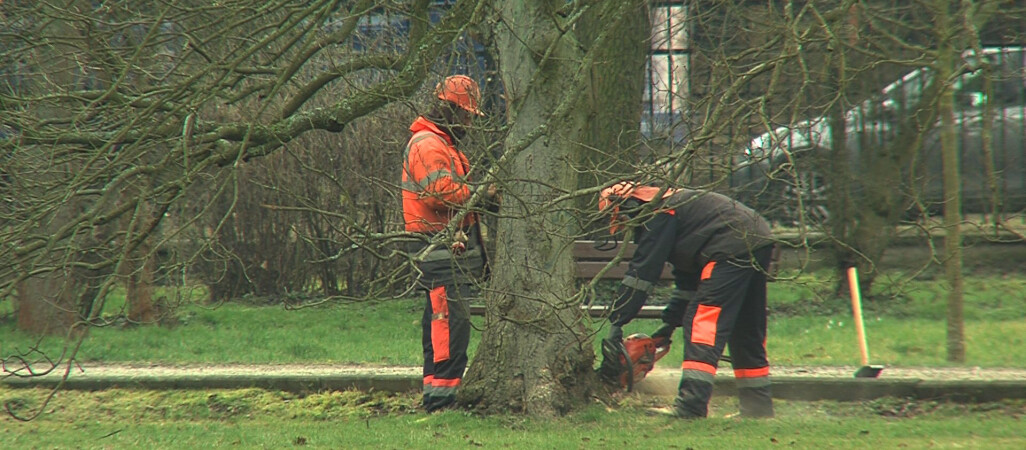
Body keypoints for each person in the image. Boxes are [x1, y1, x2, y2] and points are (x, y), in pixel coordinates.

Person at [596, 181, 776, 419]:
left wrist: (617, 322)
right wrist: (669, 325)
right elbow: (688, 281)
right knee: (745, 327)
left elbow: (643, 272)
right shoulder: (678, 210)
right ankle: (757, 407)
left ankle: (691, 406)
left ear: (631, 204)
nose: (625, 225)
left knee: (702, 325)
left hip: (730, 247)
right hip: (756, 238)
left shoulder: (658, 213)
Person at [402, 74, 492, 412]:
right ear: (449, 111)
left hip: (443, 247)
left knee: (444, 324)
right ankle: (442, 401)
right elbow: (439, 192)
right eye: (466, 114)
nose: (469, 122)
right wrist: (481, 195)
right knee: (449, 327)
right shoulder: (429, 144)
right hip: (435, 247)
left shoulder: (442, 144)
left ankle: (437, 395)